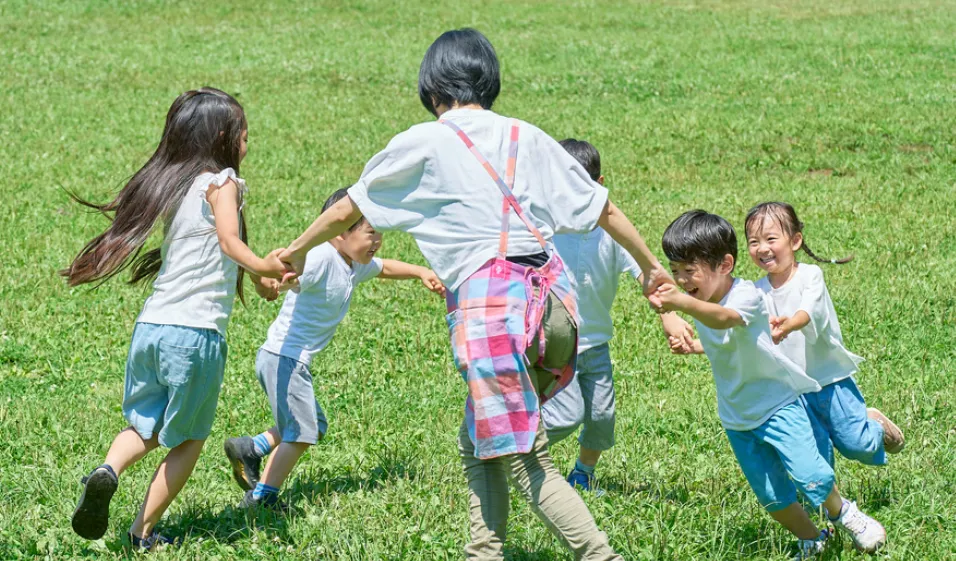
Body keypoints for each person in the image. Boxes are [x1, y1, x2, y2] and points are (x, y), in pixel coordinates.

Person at [276, 28, 673, 561]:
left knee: (528, 457)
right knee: (478, 439)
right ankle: (482, 552)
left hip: (494, 311)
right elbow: (604, 208)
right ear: (489, 80)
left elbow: (349, 207)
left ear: (431, 86)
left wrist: (297, 250)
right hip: (554, 307)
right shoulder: (525, 134)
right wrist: (650, 268)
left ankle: (600, 555)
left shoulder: (427, 138)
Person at [61, 88, 288, 550]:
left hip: (152, 329)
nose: (248, 142)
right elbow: (229, 243)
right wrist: (265, 264)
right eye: (245, 134)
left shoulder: (178, 185)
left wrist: (264, 280)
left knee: (143, 425)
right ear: (224, 136)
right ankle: (140, 533)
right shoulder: (223, 182)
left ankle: (107, 470)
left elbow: (219, 254)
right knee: (188, 440)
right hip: (195, 335)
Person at [653, 210, 886, 558]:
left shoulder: (745, 296)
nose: (682, 280)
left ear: (725, 264)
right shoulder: (701, 302)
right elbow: (721, 338)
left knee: (812, 476)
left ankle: (846, 514)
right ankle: (813, 538)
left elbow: (725, 321)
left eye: (690, 271)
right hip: (737, 417)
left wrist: (678, 304)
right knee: (773, 497)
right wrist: (684, 335)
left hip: (778, 405)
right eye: (676, 271)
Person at [223, 188, 445, 509]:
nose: (378, 241)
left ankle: (251, 449)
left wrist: (421, 272)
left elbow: (385, 267)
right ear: (340, 233)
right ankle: (260, 498)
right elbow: (289, 274)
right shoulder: (321, 257)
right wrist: (275, 282)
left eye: (379, 233)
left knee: (314, 425)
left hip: (289, 360)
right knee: (300, 432)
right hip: (284, 358)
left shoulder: (352, 263)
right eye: (371, 233)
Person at [543, 139, 695, 492]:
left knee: (601, 417)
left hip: (594, 343)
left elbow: (647, 275)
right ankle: (509, 453)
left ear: (599, 186)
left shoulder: (613, 234)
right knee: (564, 417)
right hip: (552, 344)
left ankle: (583, 472)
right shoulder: (544, 230)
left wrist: (668, 315)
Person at [745, 201, 904, 467]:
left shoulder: (810, 276)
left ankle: (873, 422)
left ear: (795, 241)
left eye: (770, 239)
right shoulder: (756, 291)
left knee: (858, 445)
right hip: (793, 390)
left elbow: (810, 311)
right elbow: (741, 327)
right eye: (753, 242)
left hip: (830, 379)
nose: (762, 248)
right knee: (814, 457)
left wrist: (790, 324)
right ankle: (828, 506)